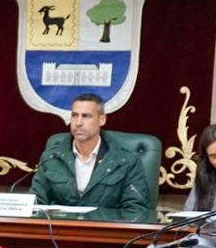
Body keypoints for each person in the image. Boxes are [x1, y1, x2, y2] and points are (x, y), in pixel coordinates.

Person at [27, 92, 156, 219]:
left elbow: (137, 212)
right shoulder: (51, 158)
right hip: (59, 233)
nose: (78, 122)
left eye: (86, 116)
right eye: (74, 115)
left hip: (105, 234)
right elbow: (35, 204)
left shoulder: (126, 162)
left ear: (102, 120)